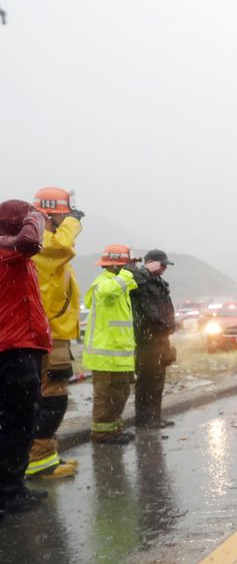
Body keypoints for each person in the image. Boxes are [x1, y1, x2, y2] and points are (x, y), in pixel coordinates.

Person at [26, 187, 85, 480]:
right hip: (45, 333)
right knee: (50, 399)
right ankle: (38, 460)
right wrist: (73, 223)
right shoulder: (41, 241)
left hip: (54, 332)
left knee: (52, 395)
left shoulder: (47, 241)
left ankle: (45, 454)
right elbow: (60, 248)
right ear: (51, 213)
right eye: (64, 214)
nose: (69, 220)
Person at [0, 200, 51, 515]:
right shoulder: (11, 250)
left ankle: (11, 488)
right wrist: (37, 215)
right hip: (13, 349)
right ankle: (9, 492)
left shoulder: (11, 252)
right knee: (18, 422)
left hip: (20, 346)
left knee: (16, 420)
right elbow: (31, 240)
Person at [84, 244, 141, 445]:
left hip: (118, 356)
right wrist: (126, 275)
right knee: (106, 397)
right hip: (105, 356)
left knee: (120, 394)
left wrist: (127, 275)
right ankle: (101, 433)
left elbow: (128, 285)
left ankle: (114, 430)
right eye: (129, 263)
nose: (132, 268)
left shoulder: (120, 286)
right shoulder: (103, 283)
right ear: (117, 264)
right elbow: (108, 292)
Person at [129, 249, 177, 429]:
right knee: (146, 382)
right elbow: (131, 277)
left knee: (158, 381)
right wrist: (146, 269)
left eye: (165, 265)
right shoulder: (139, 278)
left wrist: (171, 325)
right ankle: (143, 420)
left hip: (161, 339)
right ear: (150, 262)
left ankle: (155, 418)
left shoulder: (160, 283)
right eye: (161, 264)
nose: (164, 268)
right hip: (146, 340)